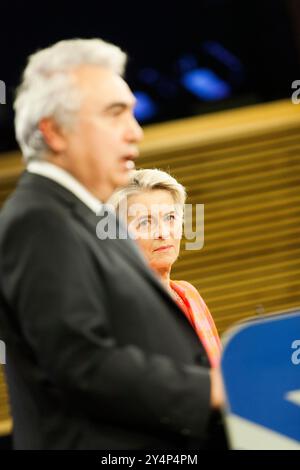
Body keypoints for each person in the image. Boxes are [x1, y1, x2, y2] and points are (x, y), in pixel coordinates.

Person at [0, 38, 224, 450]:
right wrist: (214, 389)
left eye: (133, 114)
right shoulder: (38, 220)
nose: (134, 132)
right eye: (114, 113)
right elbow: (82, 364)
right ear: (54, 131)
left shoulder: (81, 218)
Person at [109, 169, 221, 368]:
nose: (163, 232)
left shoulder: (188, 294)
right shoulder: (119, 310)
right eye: (145, 222)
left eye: (170, 218)